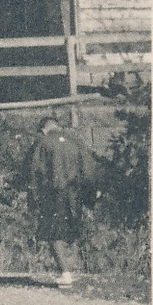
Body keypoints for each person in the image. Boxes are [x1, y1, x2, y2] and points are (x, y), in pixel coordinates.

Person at [26, 115, 100, 288]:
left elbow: (34, 171)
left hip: (53, 193)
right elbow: (89, 169)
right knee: (72, 231)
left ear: (44, 129)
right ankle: (70, 271)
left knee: (54, 233)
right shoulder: (76, 141)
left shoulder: (42, 143)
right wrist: (92, 193)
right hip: (75, 192)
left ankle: (65, 273)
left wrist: (33, 197)